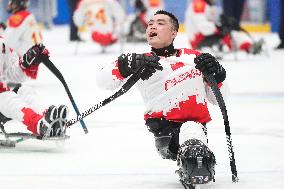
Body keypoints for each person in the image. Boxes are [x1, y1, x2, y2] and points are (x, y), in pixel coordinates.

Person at [96, 10, 227, 187]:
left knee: (192, 129)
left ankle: (195, 162)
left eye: (160, 23)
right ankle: (193, 161)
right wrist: (123, 65)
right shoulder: (141, 61)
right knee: (190, 131)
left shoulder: (195, 58)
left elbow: (219, 99)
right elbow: (102, 81)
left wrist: (218, 75)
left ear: (174, 33)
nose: (152, 25)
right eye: (150, 23)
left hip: (196, 129)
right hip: (165, 131)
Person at [0, 38, 68, 138]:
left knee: (24, 91)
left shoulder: (3, 45)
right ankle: (39, 125)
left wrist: (27, 63)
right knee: (7, 98)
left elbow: (13, 74)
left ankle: (50, 120)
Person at [184, 0, 263, 54]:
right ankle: (248, 47)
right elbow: (202, 26)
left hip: (202, 35)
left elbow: (210, 23)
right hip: (198, 39)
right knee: (228, 33)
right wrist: (218, 26)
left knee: (228, 31)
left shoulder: (205, 4)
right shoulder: (199, 4)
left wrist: (220, 24)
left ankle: (248, 46)